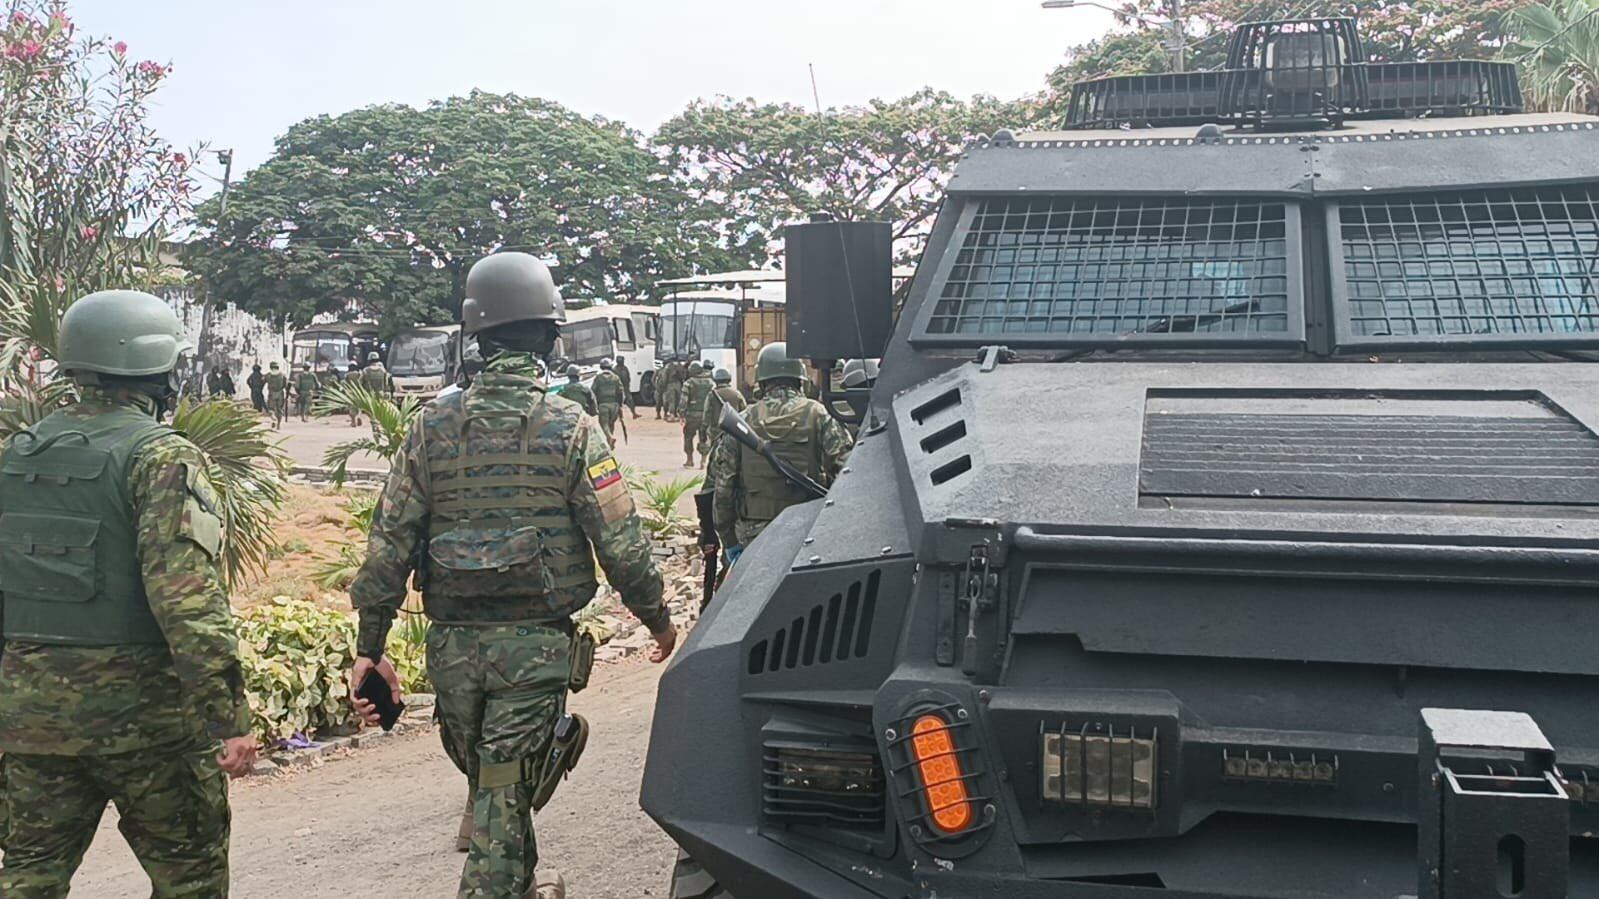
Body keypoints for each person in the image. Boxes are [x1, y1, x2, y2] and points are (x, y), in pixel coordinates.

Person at [347, 252, 676, 899]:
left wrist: (370, 647)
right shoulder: (571, 428)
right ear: (550, 339)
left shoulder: (428, 429)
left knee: (497, 792)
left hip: (451, 653)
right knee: (502, 802)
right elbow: (621, 541)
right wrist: (658, 619)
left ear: (476, 336)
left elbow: (387, 545)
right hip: (534, 651)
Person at [0, 290, 258, 897]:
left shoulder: (16, 456)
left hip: (31, 720)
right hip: (149, 725)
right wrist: (228, 720)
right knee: (189, 876)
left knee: (29, 876)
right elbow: (188, 602)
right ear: (157, 368)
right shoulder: (161, 456)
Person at [712, 342, 852, 562]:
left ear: (761, 380)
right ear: (800, 379)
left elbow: (723, 487)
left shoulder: (742, 421)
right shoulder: (818, 414)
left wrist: (729, 540)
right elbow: (848, 473)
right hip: (805, 528)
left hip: (753, 534)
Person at [701, 366, 746, 470]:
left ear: (715, 380)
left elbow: (706, 416)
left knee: (714, 461)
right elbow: (744, 413)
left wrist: (703, 434)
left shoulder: (711, 395)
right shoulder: (737, 394)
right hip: (734, 432)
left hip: (716, 433)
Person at [679, 359, 715, 468]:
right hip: (706, 415)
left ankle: (689, 460)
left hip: (692, 415)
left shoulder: (689, 383)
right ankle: (703, 461)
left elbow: (683, 401)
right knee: (703, 437)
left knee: (688, 437)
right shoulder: (711, 383)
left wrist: (681, 414)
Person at [590, 358, 626, 443]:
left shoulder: (598, 378)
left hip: (603, 405)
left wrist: (594, 405)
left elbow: (592, 392)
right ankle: (609, 442)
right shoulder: (616, 378)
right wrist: (620, 405)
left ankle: (609, 437)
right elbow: (620, 392)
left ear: (601, 367)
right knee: (611, 424)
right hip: (614, 405)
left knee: (604, 424)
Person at [265, 361, 289, 429]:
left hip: (272, 394)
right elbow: (286, 385)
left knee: (271, 408)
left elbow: (263, 380)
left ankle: (273, 419)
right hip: (280, 394)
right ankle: (278, 424)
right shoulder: (282, 375)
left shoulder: (268, 375)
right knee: (279, 409)